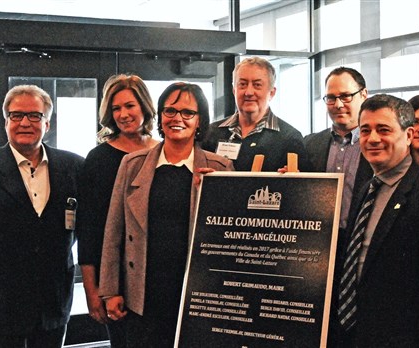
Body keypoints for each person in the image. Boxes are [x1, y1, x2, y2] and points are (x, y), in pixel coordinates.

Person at [99, 82, 234, 347]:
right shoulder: (133, 164)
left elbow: (230, 237)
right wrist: (110, 291)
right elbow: (114, 231)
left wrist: (217, 193)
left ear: (199, 121)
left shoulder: (221, 167)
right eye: (170, 111)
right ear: (160, 116)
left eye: (187, 113)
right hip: (143, 293)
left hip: (196, 295)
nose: (177, 119)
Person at [330, 94, 419, 347]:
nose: (372, 139)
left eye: (384, 130)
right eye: (366, 130)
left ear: (409, 135)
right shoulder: (366, 191)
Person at [0, 85, 83, 347]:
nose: (25, 123)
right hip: (0, 302)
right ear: (6, 121)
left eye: (34, 116)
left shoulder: (73, 167)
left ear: (47, 123)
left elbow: (80, 228)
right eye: (16, 115)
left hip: (52, 301)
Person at [76, 74, 159, 347]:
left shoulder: (164, 152)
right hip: (116, 281)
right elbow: (88, 232)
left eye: (130, 106)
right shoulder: (98, 160)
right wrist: (93, 291)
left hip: (159, 276)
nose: (123, 114)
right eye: (116, 108)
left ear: (144, 106)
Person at [202, 56, 309, 171]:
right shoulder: (211, 133)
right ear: (234, 91)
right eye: (242, 84)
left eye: (257, 85)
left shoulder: (290, 139)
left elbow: (303, 187)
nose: (248, 92)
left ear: (272, 93)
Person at [304, 67, 373, 233]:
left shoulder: (377, 145)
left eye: (346, 96)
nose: (338, 104)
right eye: (331, 98)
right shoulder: (309, 144)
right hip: (318, 243)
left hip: (360, 243)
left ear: (364, 94)